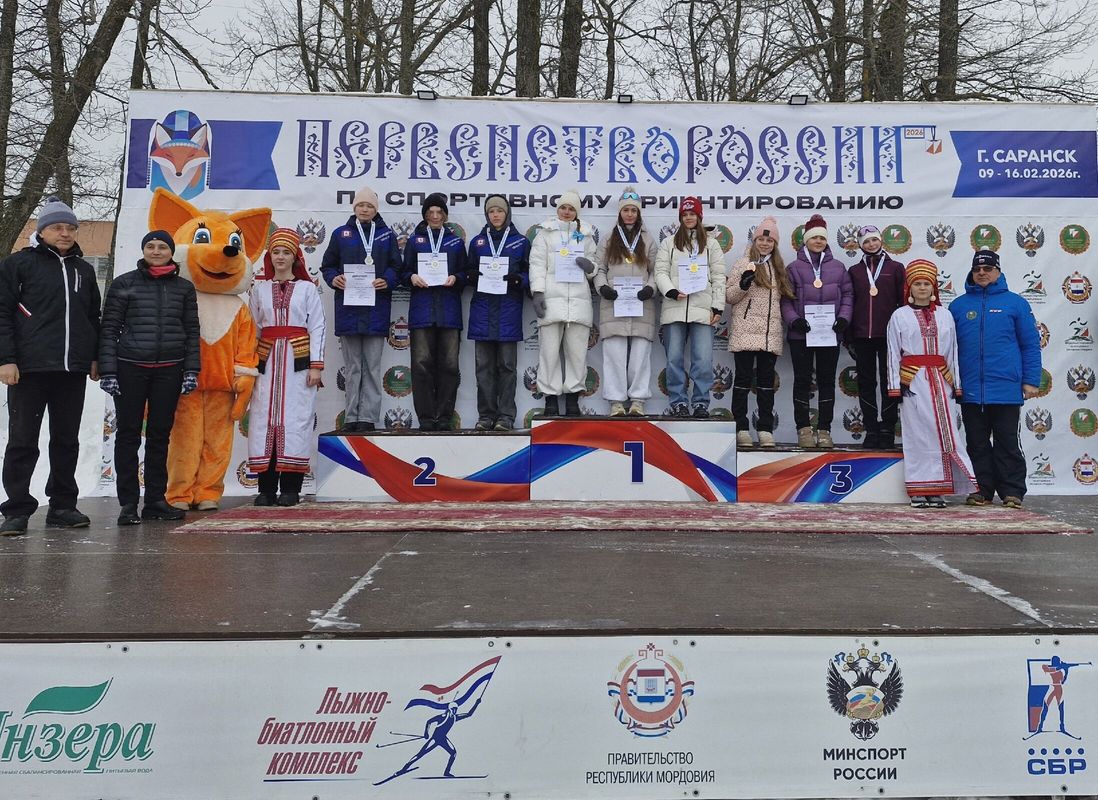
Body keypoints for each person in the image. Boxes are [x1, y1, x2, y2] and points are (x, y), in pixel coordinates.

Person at [0, 197, 101, 535]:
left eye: (70, 228)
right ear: (41, 231)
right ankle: (16, 510)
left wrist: (94, 356)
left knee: (66, 440)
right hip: (29, 368)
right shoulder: (18, 265)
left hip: (71, 370)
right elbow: (3, 313)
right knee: (22, 441)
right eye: (57, 227)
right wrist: (6, 359)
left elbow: (92, 316)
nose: (65, 233)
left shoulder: (84, 270)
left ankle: (62, 505)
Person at [98, 230, 200, 525]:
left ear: (171, 252)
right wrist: (109, 371)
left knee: (160, 436)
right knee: (128, 435)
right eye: (151, 246)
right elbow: (109, 329)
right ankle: (128, 504)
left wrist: (191, 370)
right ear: (143, 250)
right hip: (130, 368)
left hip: (170, 369)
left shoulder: (184, 288)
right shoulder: (124, 283)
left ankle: (155, 500)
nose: (156, 251)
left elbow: (192, 330)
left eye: (162, 247)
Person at [949, 249, 1041, 509]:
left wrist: (1031, 380)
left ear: (998, 271)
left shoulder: (1016, 303)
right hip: (970, 389)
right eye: (977, 269)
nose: (982, 273)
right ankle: (981, 490)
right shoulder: (958, 306)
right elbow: (948, 348)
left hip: (1006, 388)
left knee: (1007, 443)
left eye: (988, 269)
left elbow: (1030, 345)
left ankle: (1012, 491)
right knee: (976, 443)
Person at [885, 258, 976, 508]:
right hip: (913, 382)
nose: (922, 288)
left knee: (942, 434)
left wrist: (957, 385)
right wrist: (895, 385)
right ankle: (918, 489)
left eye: (927, 283)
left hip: (941, 381)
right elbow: (892, 352)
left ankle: (938, 488)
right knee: (917, 435)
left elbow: (953, 351)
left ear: (934, 287)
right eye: (917, 284)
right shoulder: (899, 315)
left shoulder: (945, 315)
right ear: (910, 288)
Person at [247, 228, 326, 506]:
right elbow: (252, 328)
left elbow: (317, 326)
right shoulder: (259, 289)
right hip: (266, 359)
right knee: (263, 419)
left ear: (295, 257)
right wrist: (248, 365)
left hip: (298, 358)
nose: (280, 257)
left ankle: (291, 489)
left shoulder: (307, 288)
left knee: (296, 419)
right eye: (276, 252)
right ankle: (266, 489)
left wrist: (316, 365)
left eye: (286, 252)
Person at [321, 185, 400, 433]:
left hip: (376, 309)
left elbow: (397, 267)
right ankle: (351, 416)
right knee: (353, 367)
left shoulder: (386, 235)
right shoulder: (340, 234)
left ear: (376, 210)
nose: (365, 209)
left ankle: (368, 416)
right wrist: (334, 278)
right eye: (361, 205)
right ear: (354, 208)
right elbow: (327, 266)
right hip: (349, 310)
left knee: (373, 367)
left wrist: (387, 279)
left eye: (369, 206)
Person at [781, 213, 852, 448]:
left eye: (822, 238)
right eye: (814, 237)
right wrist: (794, 320)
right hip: (801, 335)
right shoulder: (793, 268)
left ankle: (824, 430)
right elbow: (785, 299)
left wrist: (843, 318)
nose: (818, 241)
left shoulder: (838, 267)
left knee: (826, 381)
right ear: (806, 240)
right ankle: (803, 429)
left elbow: (848, 295)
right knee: (802, 381)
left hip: (829, 334)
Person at [725, 216, 794, 447]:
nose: (765, 244)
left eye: (770, 240)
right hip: (745, 331)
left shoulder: (778, 267)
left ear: (775, 244)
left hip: (769, 334)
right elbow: (729, 296)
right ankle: (741, 428)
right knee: (742, 382)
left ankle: (765, 429)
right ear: (754, 241)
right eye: (761, 239)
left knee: (766, 385)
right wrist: (743, 284)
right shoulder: (743, 263)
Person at [654, 197, 726, 417]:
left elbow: (719, 276)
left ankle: (701, 402)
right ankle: (678, 402)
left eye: (692, 214)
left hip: (703, 309)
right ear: (680, 218)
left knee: (703, 360)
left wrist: (717, 307)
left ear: (699, 216)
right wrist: (671, 291)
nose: (688, 218)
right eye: (684, 214)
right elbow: (660, 272)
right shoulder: (669, 243)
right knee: (674, 358)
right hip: (674, 307)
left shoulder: (711, 244)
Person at [529, 190, 598, 417]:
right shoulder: (545, 234)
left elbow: (594, 266)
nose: (567, 212)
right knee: (548, 353)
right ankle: (550, 398)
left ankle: (572, 399)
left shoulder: (586, 235)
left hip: (578, 303)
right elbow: (537, 264)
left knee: (577, 354)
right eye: (563, 208)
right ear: (557, 209)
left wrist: (590, 267)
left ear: (577, 212)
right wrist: (538, 293)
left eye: (571, 209)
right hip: (551, 301)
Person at [402, 193, 466, 431]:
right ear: (425, 215)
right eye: (431, 212)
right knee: (421, 365)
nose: (435, 216)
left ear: (445, 215)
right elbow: (403, 272)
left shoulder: (455, 243)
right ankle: (427, 418)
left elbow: (466, 273)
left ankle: (445, 417)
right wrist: (411, 277)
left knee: (449, 366)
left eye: (440, 212)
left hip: (449, 312)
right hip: (422, 312)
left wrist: (456, 278)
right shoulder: (415, 241)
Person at [465, 194, 529, 430]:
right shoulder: (477, 242)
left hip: (508, 313)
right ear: (487, 215)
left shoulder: (520, 242)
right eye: (491, 211)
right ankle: (486, 416)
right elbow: (467, 271)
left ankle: (506, 417)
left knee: (507, 368)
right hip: (482, 313)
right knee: (483, 369)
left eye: (500, 211)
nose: (495, 215)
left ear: (507, 213)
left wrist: (519, 279)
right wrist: (470, 276)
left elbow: (530, 274)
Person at [593, 187, 658, 417]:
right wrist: (603, 287)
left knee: (640, 355)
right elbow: (599, 269)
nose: (629, 214)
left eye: (633, 210)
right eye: (626, 210)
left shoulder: (648, 239)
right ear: (619, 213)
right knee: (614, 355)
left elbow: (656, 270)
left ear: (638, 214)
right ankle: (616, 402)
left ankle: (638, 400)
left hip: (642, 305)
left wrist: (651, 288)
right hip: (614, 304)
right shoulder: (608, 239)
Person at [848, 225, 905, 450]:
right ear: (860, 245)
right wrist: (848, 336)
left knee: (889, 381)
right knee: (866, 383)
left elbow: (903, 303)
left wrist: (903, 334)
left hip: (889, 336)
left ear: (881, 241)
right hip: (862, 335)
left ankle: (888, 428)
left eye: (874, 240)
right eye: (866, 242)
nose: (871, 244)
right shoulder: (854, 271)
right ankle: (871, 428)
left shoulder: (896, 268)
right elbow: (849, 302)